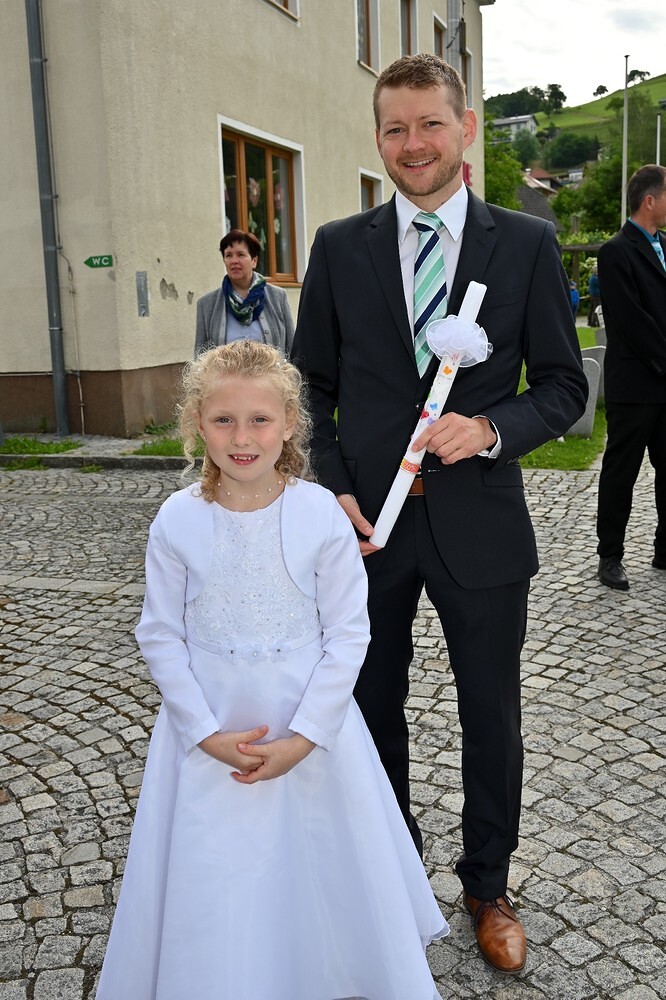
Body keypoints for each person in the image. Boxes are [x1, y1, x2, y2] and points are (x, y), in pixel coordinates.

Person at [292, 53, 587, 975]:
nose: (412, 144)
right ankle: (391, 877)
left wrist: (493, 429)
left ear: (465, 129)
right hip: (365, 531)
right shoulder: (339, 245)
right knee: (368, 706)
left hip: (480, 523)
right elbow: (310, 386)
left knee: (490, 716)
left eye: (429, 124)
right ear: (379, 137)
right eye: (395, 128)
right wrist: (333, 483)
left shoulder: (525, 244)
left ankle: (487, 886)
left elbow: (565, 386)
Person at [96, 340, 448, 1000]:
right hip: (210, 731)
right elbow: (160, 634)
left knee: (315, 864)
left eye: (259, 419)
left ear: (289, 423)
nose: (242, 437)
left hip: (307, 728)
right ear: (196, 423)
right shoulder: (177, 520)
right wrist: (202, 733)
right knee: (218, 866)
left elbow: (348, 633)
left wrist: (307, 736)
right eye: (223, 420)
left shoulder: (320, 514)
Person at [596, 164, 666, 591]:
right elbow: (631, 321)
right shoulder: (615, 251)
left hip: (665, 385)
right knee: (621, 473)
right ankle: (610, 556)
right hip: (635, 384)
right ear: (650, 200)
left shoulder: (665, 246)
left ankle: (664, 547)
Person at [194, 228, 294, 356]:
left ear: (254, 261)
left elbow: (292, 348)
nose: (234, 261)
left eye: (240, 254)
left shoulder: (278, 297)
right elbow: (199, 358)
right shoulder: (206, 304)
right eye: (228, 255)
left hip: (270, 370)